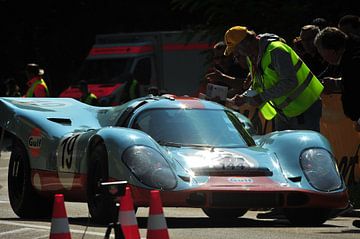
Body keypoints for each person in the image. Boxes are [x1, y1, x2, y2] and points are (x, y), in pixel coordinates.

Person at [224, 26, 324, 132]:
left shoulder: (276, 50)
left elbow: (289, 82)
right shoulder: (252, 57)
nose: (236, 54)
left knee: (305, 146)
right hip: (284, 111)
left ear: (246, 43)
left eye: (236, 50)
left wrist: (261, 97)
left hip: (305, 107)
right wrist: (243, 97)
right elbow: (257, 85)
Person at [314, 27, 360, 132]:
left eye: (322, 52)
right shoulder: (349, 58)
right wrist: (337, 83)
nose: (322, 57)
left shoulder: (354, 62)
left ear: (332, 50)